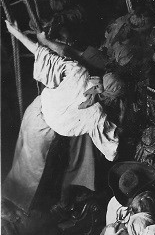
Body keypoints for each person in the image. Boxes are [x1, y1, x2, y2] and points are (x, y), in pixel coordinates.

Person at [3, 19, 124, 214]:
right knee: (37, 172)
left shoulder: (78, 71)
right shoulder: (96, 115)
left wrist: (16, 33)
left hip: (34, 115)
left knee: (24, 166)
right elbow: (111, 150)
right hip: (49, 131)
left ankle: (15, 204)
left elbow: (39, 51)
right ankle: (24, 209)